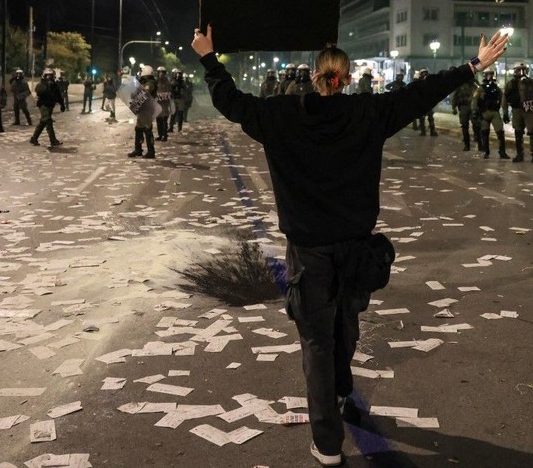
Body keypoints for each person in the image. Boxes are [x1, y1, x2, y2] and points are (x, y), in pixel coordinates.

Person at [192, 24, 508, 466]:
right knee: (347, 324)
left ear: (315, 76)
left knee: (317, 341)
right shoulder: (367, 113)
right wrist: (474, 65)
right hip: (356, 247)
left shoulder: (282, 115)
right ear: (347, 76)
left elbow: (231, 101)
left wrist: (209, 56)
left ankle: (327, 442)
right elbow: (423, 94)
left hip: (309, 250)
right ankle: (341, 391)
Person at [504, 63, 533, 163]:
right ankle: (520, 154)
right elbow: (505, 98)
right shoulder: (511, 84)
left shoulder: (531, 82)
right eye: (518, 70)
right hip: (517, 110)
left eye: (522, 70)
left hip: (529, 110)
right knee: (518, 132)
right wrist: (505, 112)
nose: (520, 72)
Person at [472, 69, 509, 159]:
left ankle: (502, 152)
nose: (490, 77)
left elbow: (503, 100)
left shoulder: (496, 88)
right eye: (488, 75)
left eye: (491, 74)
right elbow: (475, 100)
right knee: (485, 132)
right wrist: (474, 111)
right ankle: (486, 151)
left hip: (494, 112)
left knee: (500, 132)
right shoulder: (481, 88)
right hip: (484, 112)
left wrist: (505, 113)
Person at [127, 65, 157, 159]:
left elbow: (145, 93)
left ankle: (151, 151)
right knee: (138, 129)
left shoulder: (150, 83)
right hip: (142, 109)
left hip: (147, 110)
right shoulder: (144, 83)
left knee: (147, 130)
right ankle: (138, 150)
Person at [30, 68, 65, 146]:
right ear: (44, 76)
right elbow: (40, 92)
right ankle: (53, 140)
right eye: (47, 75)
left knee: (44, 122)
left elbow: (58, 95)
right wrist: (47, 86)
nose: (49, 77)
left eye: (50, 75)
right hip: (43, 105)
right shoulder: (41, 84)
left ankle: (34, 138)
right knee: (47, 121)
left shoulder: (54, 85)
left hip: (50, 105)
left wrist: (62, 104)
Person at [451, 78, 478, 151]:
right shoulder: (460, 85)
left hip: (473, 107)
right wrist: (453, 107)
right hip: (463, 106)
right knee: (464, 125)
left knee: (476, 124)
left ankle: (478, 140)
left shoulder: (474, 84)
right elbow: (455, 96)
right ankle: (467, 145)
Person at [413, 69, 438, 136]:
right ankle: (423, 131)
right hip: (422, 102)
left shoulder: (430, 81)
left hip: (428, 102)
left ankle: (432, 131)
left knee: (430, 118)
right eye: (423, 73)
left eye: (425, 73)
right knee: (422, 118)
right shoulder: (418, 82)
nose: (424, 74)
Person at [154, 66, 172, 141]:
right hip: (157, 104)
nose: (161, 74)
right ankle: (160, 134)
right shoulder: (155, 82)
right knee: (158, 121)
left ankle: (165, 135)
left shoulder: (167, 82)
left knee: (164, 121)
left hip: (165, 104)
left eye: (162, 73)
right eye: (159, 72)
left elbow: (169, 93)